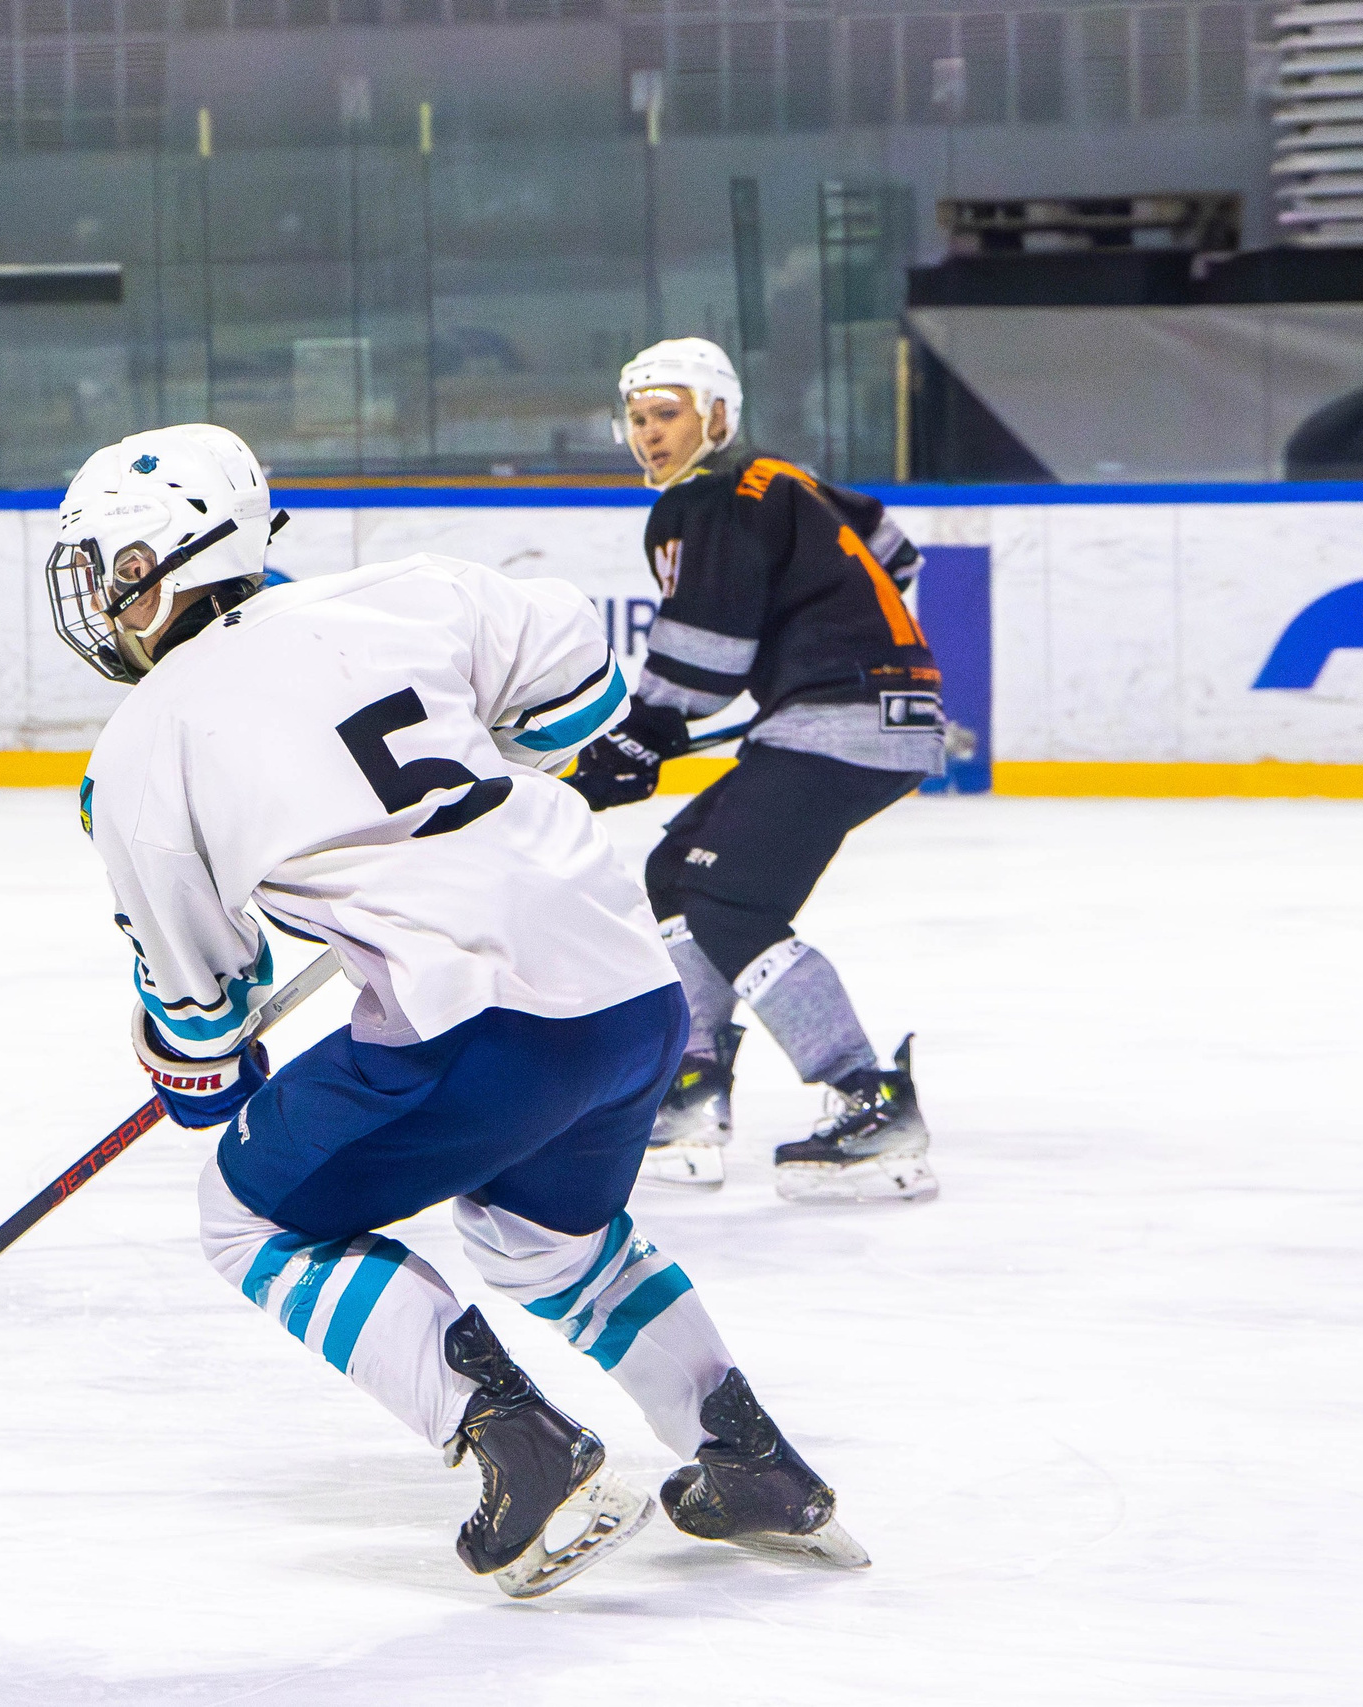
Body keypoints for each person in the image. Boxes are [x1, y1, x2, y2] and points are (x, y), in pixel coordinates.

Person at [54, 422, 865, 1598]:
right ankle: (747, 1462)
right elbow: (575, 678)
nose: (94, 603)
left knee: (247, 1213)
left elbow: (200, 1016)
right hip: (631, 998)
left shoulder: (137, 755)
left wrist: (200, 1073)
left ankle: (522, 1450)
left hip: (478, 1029)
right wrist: (505, 746)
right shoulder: (407, 592)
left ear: (160, 566)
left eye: (105, 573)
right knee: (541, 1244)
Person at [567, 338, 940, 1204]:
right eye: (638, 418)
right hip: (872, 708)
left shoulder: (712, 499)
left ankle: (868, 1097)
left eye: (668, 414)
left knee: (732, 897)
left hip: (841, 717)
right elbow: (894, 550)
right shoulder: (789, 481)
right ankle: (694, 1084)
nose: (649, 434)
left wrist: (644, 730)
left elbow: (706, 650)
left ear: (718, 415)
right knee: (677, 870)